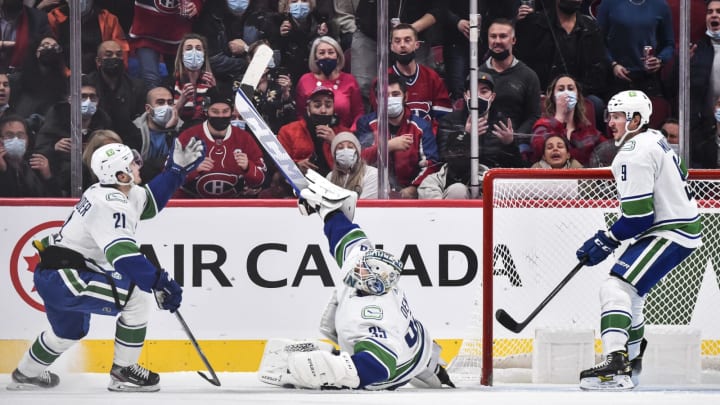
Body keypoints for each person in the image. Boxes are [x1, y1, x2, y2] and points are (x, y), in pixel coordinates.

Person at [7, 138, 205, 391]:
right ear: (121, 174)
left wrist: (176, 171)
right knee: (138, 298)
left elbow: (150, 201)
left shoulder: (113, 190)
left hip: (57, 276)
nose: (138, 166)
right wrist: (159, 282)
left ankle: (26, 373)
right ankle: (123, 372)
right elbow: (122, 256)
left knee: (67, 332)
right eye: (133, 164)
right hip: (68, 278)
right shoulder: (111, 203)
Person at [258, 170, 455, 390]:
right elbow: (346, 238)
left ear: (372, 284)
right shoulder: (370, 276)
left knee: (326, 365)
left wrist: (331, 374)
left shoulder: (373, 315)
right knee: (428, 369)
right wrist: (329, 211)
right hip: (420, 346)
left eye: (363, 269)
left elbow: (380, 367)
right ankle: (436, 369)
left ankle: (435, 371)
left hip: (397, 372)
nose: (358, 266)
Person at [575, 90, 702, 390]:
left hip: (670, 230)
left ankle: (617, 366)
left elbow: (638, 218)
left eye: (617, 116)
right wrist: (607, 240)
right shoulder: (656, 140)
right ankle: (630, 365)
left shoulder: (634, 151)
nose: (611, 122)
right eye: (610, 116)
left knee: (614, 286)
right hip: (678, 228)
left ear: (635, 119)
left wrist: (605, 240)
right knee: (630, 295)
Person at [514, 0, 609, 128]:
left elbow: (598, 70)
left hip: (580, 93)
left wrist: (574, 92)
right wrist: (514, 23)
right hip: (543, 92)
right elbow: (523, 65)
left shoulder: (591, 28)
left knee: (596, 105)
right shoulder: (534, 24)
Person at [356, 74, 440, 199]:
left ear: (405, 97)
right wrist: (388, 146)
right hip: (374, 191)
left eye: (395, 94)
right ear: (378, 100)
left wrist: (413, 188)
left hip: (411, 193)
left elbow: (431, 164)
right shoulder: (366, 123)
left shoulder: (421, 127)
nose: (390, 99)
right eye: (385, 95)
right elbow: (359, 160)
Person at [175, 88, 267, 198]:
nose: (220, 116)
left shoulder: (244, 138)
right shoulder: (188, 137)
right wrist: (192, 170)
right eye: (215, 111)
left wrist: (248, 168)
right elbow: (168, 176)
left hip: (234, 204)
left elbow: (261, 180)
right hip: (192, 202)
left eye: (225, 111)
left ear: (232, 111)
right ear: (206, 110)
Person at [370, 23, 452, 129]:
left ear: (417, 44)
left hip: (427, 141)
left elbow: (443, 119)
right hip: (395, 141)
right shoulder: (382, 80)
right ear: (391, 47)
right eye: (397, 41)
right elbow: (377, 121)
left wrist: (427, 138)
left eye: (407, 40)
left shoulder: (432, 77)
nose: (402, 45)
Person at [478, 18, 541, 155]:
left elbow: (534, 116)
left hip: (516, 145)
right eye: (493, 36)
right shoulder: (476, 74)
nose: (497, 41)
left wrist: (514, 137)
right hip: (482, 144)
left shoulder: (528, 76)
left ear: (513, 40)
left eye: (503, 36)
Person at [436, 73, 525, 169]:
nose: (477, 96)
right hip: (462, 178)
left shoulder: (503, 124)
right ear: (466, 96)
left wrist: (509, 144)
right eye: (473, 91)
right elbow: (444, 161)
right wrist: (465, 136)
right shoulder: (449, 121)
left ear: (493, 97)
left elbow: (517, 166)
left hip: (493, 178)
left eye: (484, 92)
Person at [597, 0, 674, 98]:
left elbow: (669, 44)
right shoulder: (609, 3)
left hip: (648, 78)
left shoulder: (660, 5)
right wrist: (613, 64)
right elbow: (598, 41)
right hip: (616, 77)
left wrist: (660, 60)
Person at [530, 74, 605, 166]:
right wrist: (559, 117)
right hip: (551, 178)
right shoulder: (543, 124)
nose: (566, 93)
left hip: (582, 178)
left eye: (570, 89)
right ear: (553, 97)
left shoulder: (587, 128)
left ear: (577, 96)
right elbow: (537, 151)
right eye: (561, 89)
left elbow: (607, 149)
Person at [128, 0, 203, 89]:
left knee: (181, 82)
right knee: (151, 81)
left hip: (177, 35)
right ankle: (154, 102)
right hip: (147, 34)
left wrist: (195, 5)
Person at [278, 85, 350, 177]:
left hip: (334, 184)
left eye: (328, 106)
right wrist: (296, 166)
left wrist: (335, 142)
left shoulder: (344, 134)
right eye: (317, 105)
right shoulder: (288, 131)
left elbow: (355, 166)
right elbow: (277, 164)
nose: (323, 110)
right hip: (299, 183)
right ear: (308, 109)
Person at [294, 36, 362, 129]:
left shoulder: (349, 80)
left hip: (343, 138)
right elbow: (300, 115)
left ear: (338, 56)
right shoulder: (305, 80)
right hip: (312, 136)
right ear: (315, 58)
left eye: (331, 52)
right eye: (321, 53)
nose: (326, 56)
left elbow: (359, 114)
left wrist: (349, 135)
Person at [47, 0, 130, 74]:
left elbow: (122, 51)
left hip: (101, 77)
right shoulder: (54, 17)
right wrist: (68, 73)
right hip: (64, 77)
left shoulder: (108, 19)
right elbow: (51, 54)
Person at [0, 114, 59, 197]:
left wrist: (48, 177)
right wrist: (3, 172)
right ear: (1, 140)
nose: (16, 139)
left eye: (20, 135)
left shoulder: (35, 164)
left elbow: (56, 200)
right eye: (10, 135)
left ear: (27, 139)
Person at [133, 86, 183, 184]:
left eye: (170, 103)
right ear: (148, 108)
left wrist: (171, 130)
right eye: (160, 103)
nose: (166, 107)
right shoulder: (134, 131)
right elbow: (139, 170)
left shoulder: (182, 129)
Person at [172, 33, 218, 130]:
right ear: (182, 54)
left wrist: (214, 91)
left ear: (204, 53)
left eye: (198, 49)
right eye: (189, 49)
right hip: (181, 131)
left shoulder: (211, 81)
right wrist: (182, 100)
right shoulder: (171, 82)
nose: (194, 52)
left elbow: (219, 113)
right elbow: (167, 119)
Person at [326, 131, 378, 198]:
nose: (345, 151)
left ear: (358, 152)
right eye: (340, 148)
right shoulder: (330, 177)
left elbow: (365, 204)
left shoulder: (372, 174)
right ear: (335, 155)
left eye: (350, 147)